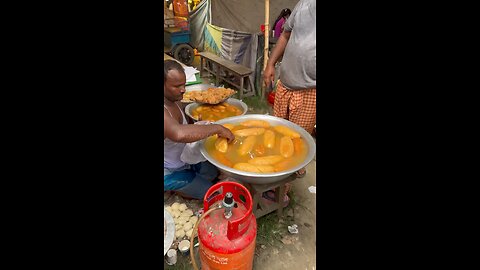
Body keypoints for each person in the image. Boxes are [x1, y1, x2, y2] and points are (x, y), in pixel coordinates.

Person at [263, 0, 316, 202]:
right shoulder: (305, 3)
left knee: (295, 141)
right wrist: (270, 63)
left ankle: (280, 192)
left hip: (310, 91)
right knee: (278, 134)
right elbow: (286, 34)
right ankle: (285, 171)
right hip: (285, 84)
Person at [164, 60, 235, 200]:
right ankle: (176, 188)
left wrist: (196, 123)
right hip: (169, 171)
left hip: (184, 159)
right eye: (177, 86)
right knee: (213, 193)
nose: (183, 89)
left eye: (184, 84)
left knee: (213, 174)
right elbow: (178, 133)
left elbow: (183, 123)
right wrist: (217, 128)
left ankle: (190, 180)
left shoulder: (175, 100)